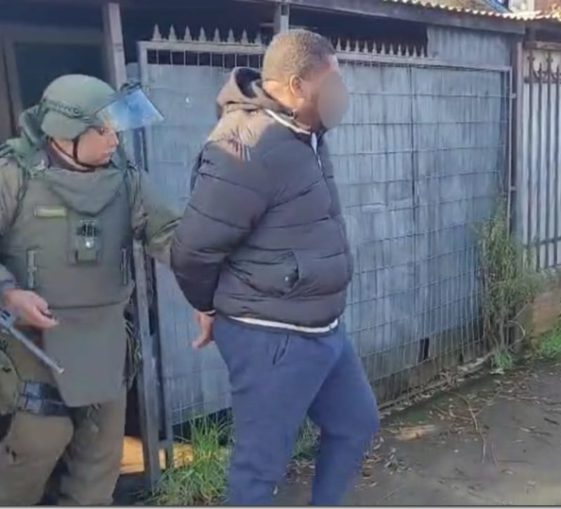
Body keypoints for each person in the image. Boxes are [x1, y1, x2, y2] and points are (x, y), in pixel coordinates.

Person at [170, 29, 380, 506]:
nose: (340, 93)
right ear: (296, 85)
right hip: (271, 334)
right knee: (260, 468)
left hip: (322, 327)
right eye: (332, 82)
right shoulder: (244, 146)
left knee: (355, 422)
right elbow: (192, 249)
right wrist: (207, 305)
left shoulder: (307, 133)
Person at [0, 74, 181, 505]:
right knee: (39, 440)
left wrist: (221, 263)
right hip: (31, 340)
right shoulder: (13, 174)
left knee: (101, 456)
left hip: (104, 337)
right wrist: (9, 293)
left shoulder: (126, 179)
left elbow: (171, 235)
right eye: (104, 130)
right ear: (65, 133)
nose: (114, 140)